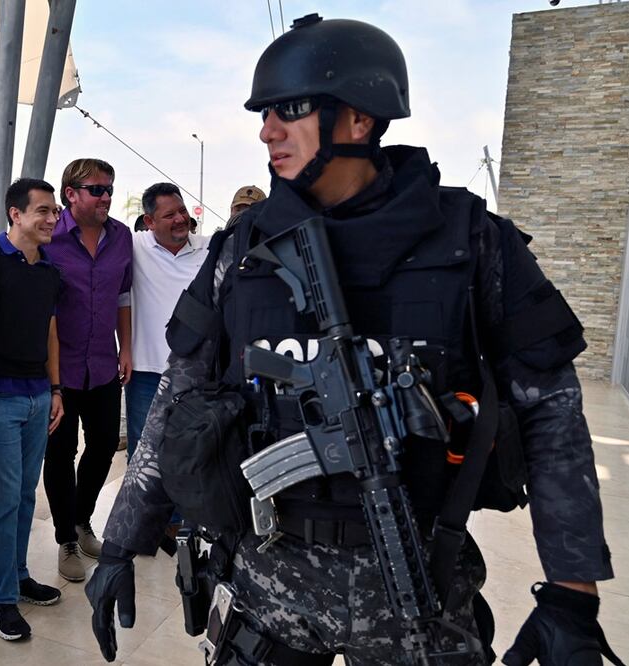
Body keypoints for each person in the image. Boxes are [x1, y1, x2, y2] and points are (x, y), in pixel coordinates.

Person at [86, 15, 616, 666]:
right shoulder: (242, 250)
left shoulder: (473, 242)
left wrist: (571, 592)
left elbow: (552, 420)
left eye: (288, 110)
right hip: (265, 592)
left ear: (359, 120)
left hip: (415, 588)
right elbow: (176, 401)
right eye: (263, 113)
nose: (265, 130)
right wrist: (120, 541)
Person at [0, 177, 65, 642]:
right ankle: (1, 597)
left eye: (54, 212)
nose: (52, 219)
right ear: (16, 214)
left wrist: (56, 389)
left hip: (37, 396)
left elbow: (50, 330)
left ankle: (19, 576)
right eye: (43, 211)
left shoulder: (48, 269)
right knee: (3, 502)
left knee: (27, 498)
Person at [44, 158, 132, 584]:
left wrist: (126, 349)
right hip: (58, 372)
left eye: (110, 188)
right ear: (71, 194)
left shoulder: (122, 237)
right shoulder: (49, 238)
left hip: (102, 363)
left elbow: (123, 296)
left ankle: (82, 520)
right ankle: (65, 538)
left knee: (101, 447)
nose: (106, 197)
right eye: (97, 189)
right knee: (59, 453)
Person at [126, 183, 208, 460]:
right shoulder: (132, 246)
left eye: (182, 211)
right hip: (146, 375)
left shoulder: (209, 249)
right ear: (149, 221)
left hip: (198, 374)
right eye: (169, 215)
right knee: (143, 455)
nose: (180, 219)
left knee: (194, 456)